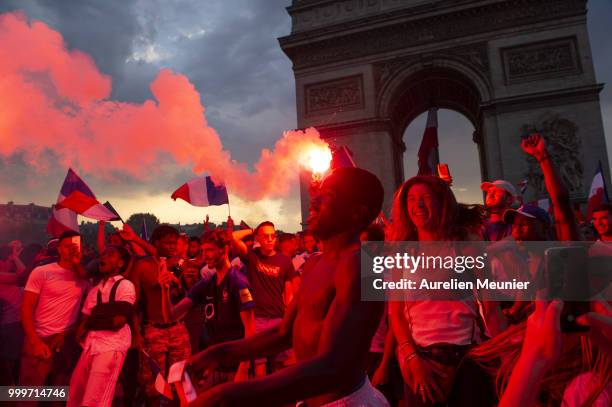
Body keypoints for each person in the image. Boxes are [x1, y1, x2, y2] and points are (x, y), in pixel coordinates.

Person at [189, 167, 389, 406]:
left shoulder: (367, 267)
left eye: (329, 195)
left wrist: (228, 395)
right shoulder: (315, 262)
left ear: (357, 212)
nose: (314, 200)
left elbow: (334, 366)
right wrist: (219, 353)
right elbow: (285, 332)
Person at [388, 175, 496, 407]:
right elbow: (395, 313)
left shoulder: (468, 245)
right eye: (412, 199)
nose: (418, 205)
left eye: (426, 198)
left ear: (442, 202)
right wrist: (412, 359)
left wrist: (508, 354)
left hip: (467, 362)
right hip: (420, 362)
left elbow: (491, 308)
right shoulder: (401, 253)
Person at [161, 229, 256, 386]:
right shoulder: (207, 283)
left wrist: (243, 369)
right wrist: (164, 290)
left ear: (224, 250)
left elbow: (251, 331)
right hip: (216, 366)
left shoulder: (238, 282)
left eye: (210, 250)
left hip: (236, 367)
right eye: (203, 250)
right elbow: (171, 316)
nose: (205, 255)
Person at [130, 225, 191, 406]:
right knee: (153, 384)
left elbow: (191, 297)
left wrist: (179, 284)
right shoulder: (143, 266)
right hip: (154, 330)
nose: (172, 246)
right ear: (156, 242)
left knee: (181, 380)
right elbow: (134, 304)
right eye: (167, 243)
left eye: (174, 243)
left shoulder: (180, 265)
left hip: (178, 328)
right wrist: (136, 333)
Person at [19, 231, 89, 388]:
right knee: (30, 394)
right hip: (40, 337)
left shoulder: (84, 278)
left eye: (75, 246)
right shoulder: (42, 272)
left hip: (65, 341)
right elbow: (26, 308)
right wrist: (35, 341)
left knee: (59, 393)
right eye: (67, 246)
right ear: (59, 249)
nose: (71, 250)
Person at [68, 245, 136, 407]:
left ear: (120, 263)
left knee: (95, 399)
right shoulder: (95, 291)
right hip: (91, 346)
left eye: (110, 255)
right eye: (103, 254)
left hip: (111, 347)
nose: (104, 257)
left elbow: (117, 322)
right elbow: (80, 329)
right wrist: (100, 317)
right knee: (75, 395)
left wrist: (92, 321)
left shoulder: (125, 286)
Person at [230, 219, 298, 375]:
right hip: (257, 318)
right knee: (260, 365)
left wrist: (289, 316)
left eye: (272, 236)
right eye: (265, 236)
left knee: (282, 363)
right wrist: (253, 230)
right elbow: (233, 237)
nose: (269, 239)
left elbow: (290, 292)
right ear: (258, 239)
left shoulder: (284, 261)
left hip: (278, 317)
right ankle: (263, 396)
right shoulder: (252, 256)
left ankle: (281, 397)